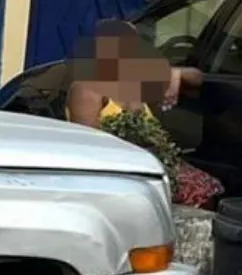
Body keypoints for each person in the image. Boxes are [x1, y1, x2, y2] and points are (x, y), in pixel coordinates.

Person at [63, 19, 221, 207]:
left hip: (149, 162)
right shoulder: (88, 87)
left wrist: (176, 73)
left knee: (209, 187)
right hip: (117, 167)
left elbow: (197, 78)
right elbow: (89, 141)